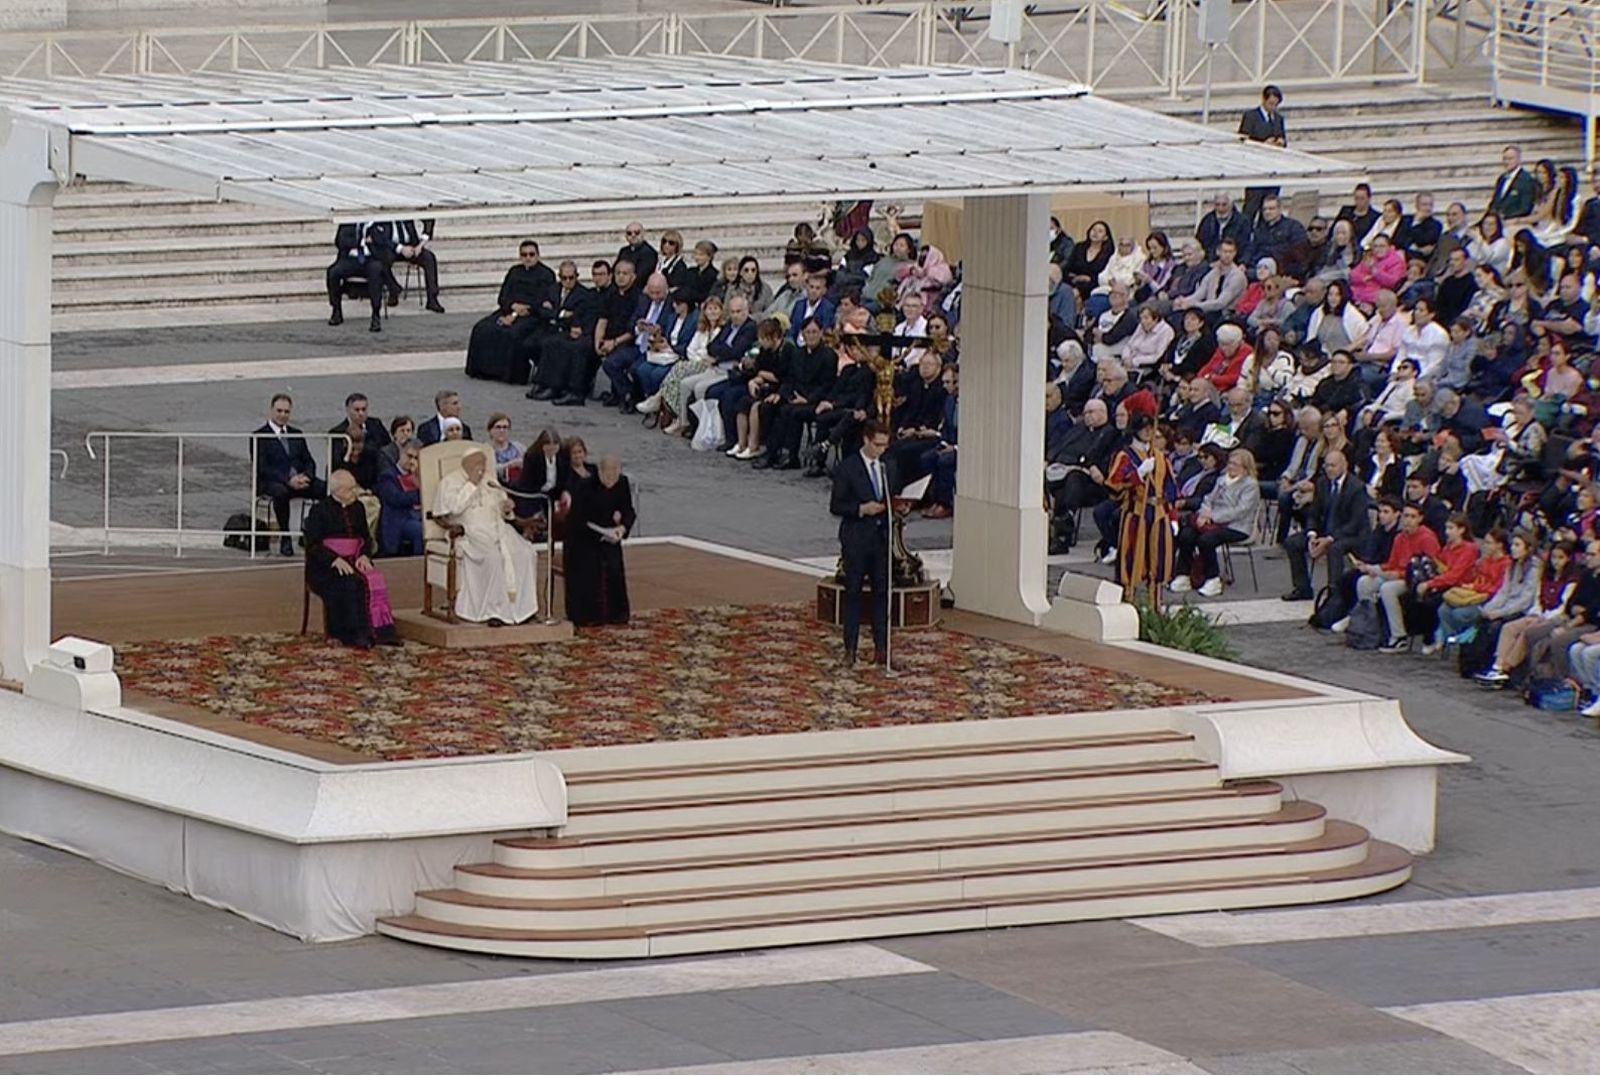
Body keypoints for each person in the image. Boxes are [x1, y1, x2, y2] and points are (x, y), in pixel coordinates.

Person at [431, 446, 540, 626]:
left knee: (526, 553)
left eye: (483, 464)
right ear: (466, 465)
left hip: (499, 528)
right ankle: (494, 611)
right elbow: (452, 509)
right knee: (492, 558)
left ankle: (522, 610)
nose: (481, 468)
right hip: (469, 531)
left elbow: (503, 507)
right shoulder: (450, 482)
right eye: (477, 465)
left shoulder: (489, 480)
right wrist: (471, 485)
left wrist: (506, 508)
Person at [303, 469, 398, 648]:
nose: (354, 493)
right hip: (326, 566)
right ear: (337, 492)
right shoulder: (320, 510)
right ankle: (353, 634)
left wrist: (364, 555)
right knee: (350, 582)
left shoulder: (358, 508)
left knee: (375, 578)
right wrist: (334, 559)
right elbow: (313, 545)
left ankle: (381, 632)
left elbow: (365, 538)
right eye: (349, 490)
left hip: (355, 559)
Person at [830, 420, 895, 667]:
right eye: (877, 445)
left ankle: (882, 648)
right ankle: (850, 649)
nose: (881, 450)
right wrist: (860, 509)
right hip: (857, 538)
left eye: (885, 446)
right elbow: (836, 505)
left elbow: (892, 492)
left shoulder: (887, 465)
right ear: (866, 441)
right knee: (853, 593)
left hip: (880, 539)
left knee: (882, 593)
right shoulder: (848, 468)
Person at [1353, 501, 1443, 653]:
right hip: (1395, 573)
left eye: (1412, 516)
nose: (1408, 520)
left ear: (1420, 518)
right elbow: (1392, 563)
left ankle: (1399, 636)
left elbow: (1430, 568)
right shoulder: (1400, 537)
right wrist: (1373, 568)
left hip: (1415, 579)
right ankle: (1370, 627)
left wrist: (1396, 574)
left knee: (1388, 589)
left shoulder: (1427, 538)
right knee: (1365, 582)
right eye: (1406, 516)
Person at [1282, 448, 1369, 600]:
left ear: (1344, 465)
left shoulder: (1356, 487)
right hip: (1324, 531)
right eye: (1326, 466)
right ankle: (1302, 589)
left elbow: (1355, 523)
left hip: (1351, 535)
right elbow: (1314, 513)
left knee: (1335, 548)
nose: (1329, 469)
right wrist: (1312, 535)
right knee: (1292, 542)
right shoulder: (1322, 483)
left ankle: (1334, 593)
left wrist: (1329, 539)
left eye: (1333, 466)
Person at [1171, 448, 1260, 597]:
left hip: (1237, 526)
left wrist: (1212, 517)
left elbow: (1240, 510)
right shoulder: (1221, 480)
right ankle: (1183, 574)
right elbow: (1208, 499)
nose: (1231, 467)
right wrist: (1203, 514)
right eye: (1230, 463)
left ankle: (1213, 579)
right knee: (1186, 534)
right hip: (1210, 520)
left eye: (1236, 465)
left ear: (1245, 468)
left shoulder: (1250, 485)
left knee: (1207, 540)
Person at [465, 240, 556, 384]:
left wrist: (519, 312)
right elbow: (503, 296)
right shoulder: (514, 271)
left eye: (531, 254)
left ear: (538, 256)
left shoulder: (547, 274)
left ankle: (509, 375)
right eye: (524, 254)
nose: (528, 258)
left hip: (532, 314)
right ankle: (483, 371)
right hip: (509, 308)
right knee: (482, 329)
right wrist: (513, 307)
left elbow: (545, 300)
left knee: (513, 334)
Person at [1105, 415, 1176, 595]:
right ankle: (1129, 599)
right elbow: (1114, 484)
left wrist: (1172, 516)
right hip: (1136, 513)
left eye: (1151, 428)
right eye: (1143, 428)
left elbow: (1171, 488)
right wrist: (1138, 473)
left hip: (1159, 514)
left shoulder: (1161, 457)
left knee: (1158, 560)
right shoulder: (1125, 456)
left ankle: (1155, 605)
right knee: (1132, 558)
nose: (1148, 432)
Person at [564, 455, 636, 627]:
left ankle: (617, 613)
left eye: (615, 474)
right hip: (584, 536)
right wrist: (600, 533)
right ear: (601, 471)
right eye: (608, 475)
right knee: (589, 565)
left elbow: (628, 511)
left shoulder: (622, 483)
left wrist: (623, 528)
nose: (611, 479)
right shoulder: (584, 486)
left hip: (611, 535)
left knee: (614, 565)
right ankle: (587, 615)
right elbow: (577, 519)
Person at [253, 393, 324, 557]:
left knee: (324, 488)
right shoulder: (259, 436)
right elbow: (262, 467)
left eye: (286, 412)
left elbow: (309, 460)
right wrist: (288, 479)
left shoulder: (296, 433)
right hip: (274, 481)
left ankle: (312, 531)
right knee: (281, 493)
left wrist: (307, 476)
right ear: (271, 410)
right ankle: (285, 537)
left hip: (300, 479)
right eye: (279, 411)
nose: (283, 415)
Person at [325, 220, 388, 333]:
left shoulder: (378, 222)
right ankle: (336, 310)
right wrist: (361, 241)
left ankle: (376, 314)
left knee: (376, 271)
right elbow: (340, 241)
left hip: (371, 259)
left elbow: (382, 241)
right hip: (350, 259)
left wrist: (372, 238)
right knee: (333, 272)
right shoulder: (348, 222)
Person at [1238, 86, 1286, 222]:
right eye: (1271, 104)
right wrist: (1262, 144)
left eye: (1276, 105)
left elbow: (1282, 136)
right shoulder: (1251, 116)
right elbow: (1243, 140)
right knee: (1251, 207)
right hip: (1256, 167)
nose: (1273, 108)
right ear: (1264, 100)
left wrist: (1281, 142)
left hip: (1272, 167)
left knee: (1269, 206)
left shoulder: (1278, 119)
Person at [374, 441, 423, 556]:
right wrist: (420, 492)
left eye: (416, 458)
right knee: (420, 531)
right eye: (409, 456)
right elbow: (396, 499)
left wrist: (417, 477)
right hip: (399, 519)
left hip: (419, 516)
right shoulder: (388, 475)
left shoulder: (420, 475)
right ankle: (419, 564)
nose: (412, 461)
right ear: (401, 453)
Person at [1489, 145, 1540, 220]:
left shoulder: (1526, 180)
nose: (1506, 162)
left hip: (1514, 221)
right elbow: (1494, 203)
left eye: (1510, 159)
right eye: (1504, 159)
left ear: (1519, 160)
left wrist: (1505, 217)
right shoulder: (1502, 179)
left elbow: (1525, 208)